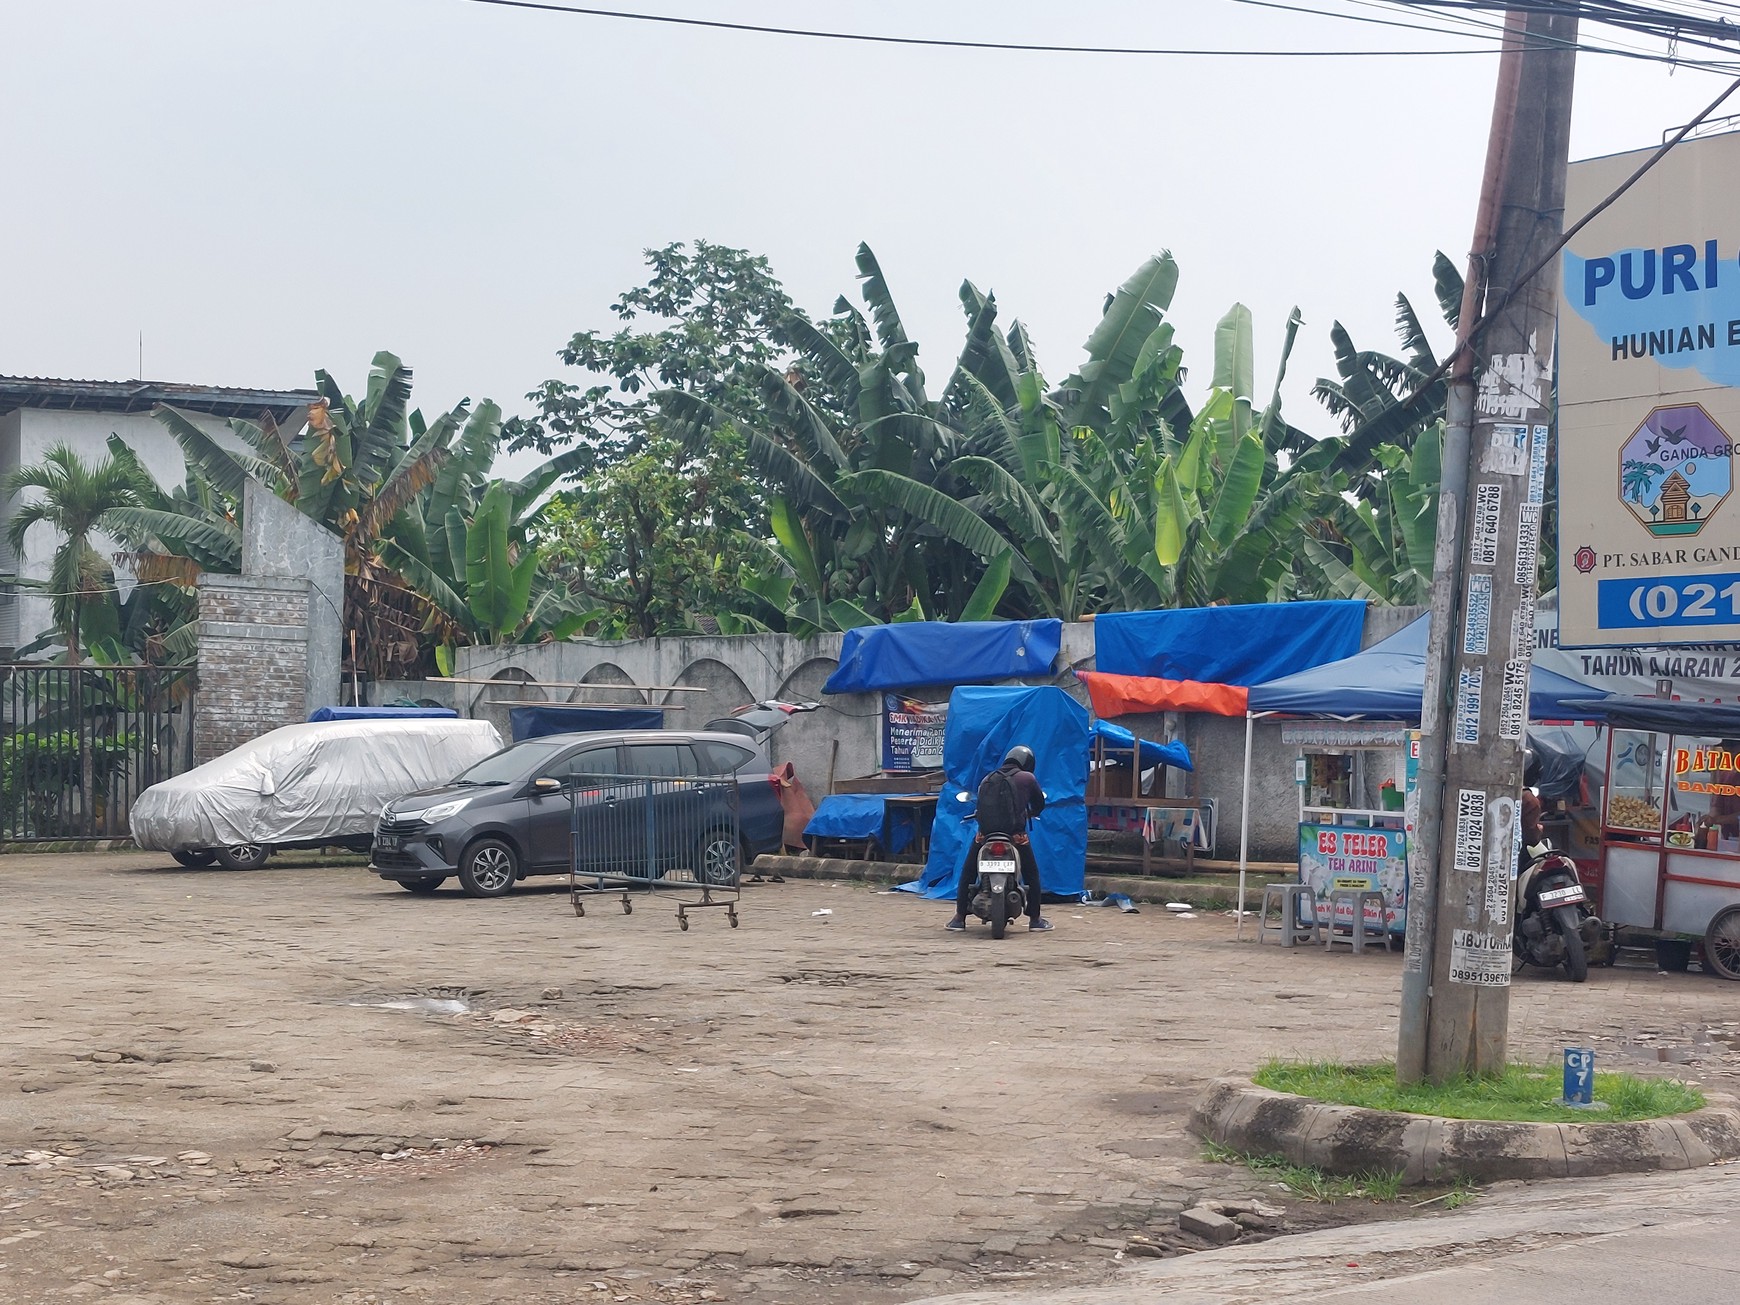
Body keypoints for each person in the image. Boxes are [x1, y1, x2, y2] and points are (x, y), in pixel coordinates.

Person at [948, 745, 1051, 932]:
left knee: (968, 871)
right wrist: (1030, 813)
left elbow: (980, 807)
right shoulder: (1027, 778)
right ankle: (1035, 920)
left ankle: (959, 918)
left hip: (985, 835)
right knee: (1031, 874)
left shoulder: (988, 778)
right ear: (1027, 763)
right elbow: (1039, 804)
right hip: (1015, 836)